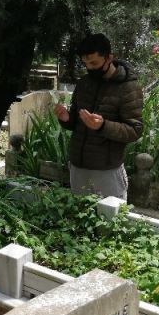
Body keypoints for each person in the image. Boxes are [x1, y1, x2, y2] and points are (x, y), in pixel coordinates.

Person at [53, 33, 143, 200]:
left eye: (94, 63)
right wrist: (66, 119)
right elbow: (76, 122)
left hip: (107, 171)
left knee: (110, 216)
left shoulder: (128, 87)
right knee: (78, 214)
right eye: (85, 63)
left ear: (109, 58)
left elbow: (134, 130)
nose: (89, 68)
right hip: (78, 167)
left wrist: (103, 126)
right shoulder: (84, 83)